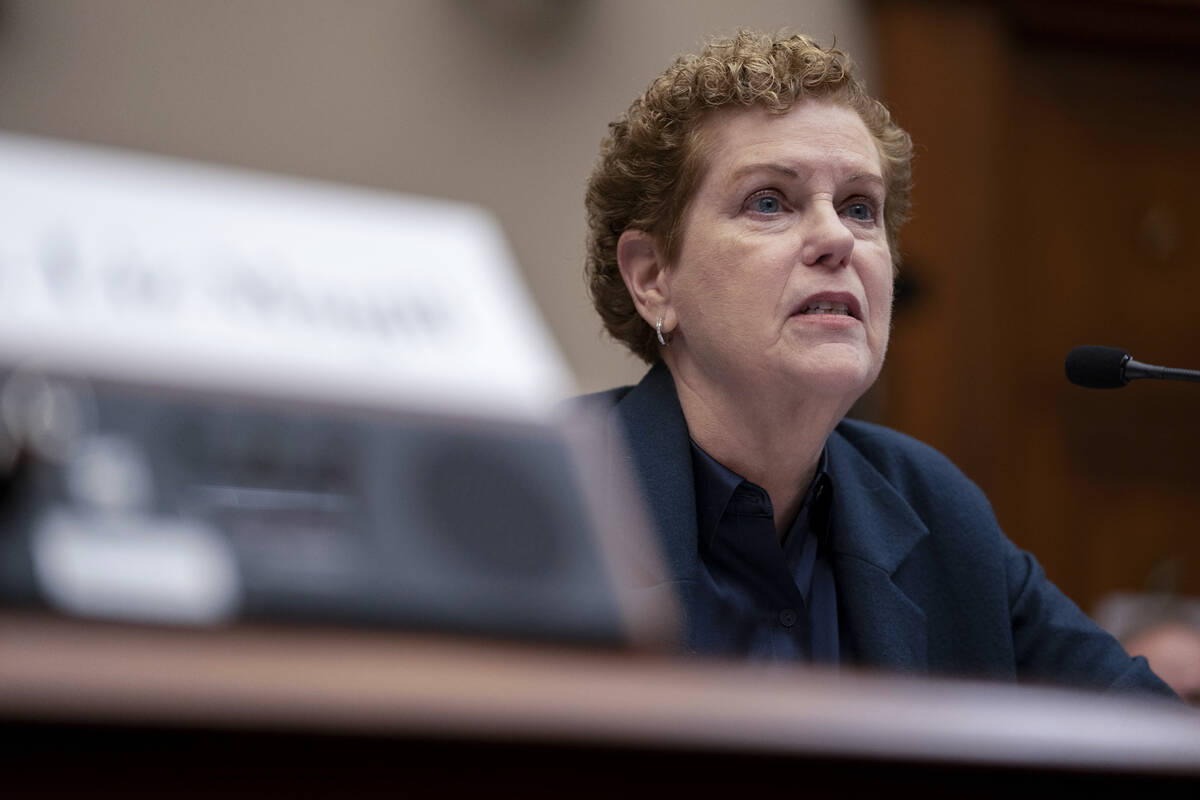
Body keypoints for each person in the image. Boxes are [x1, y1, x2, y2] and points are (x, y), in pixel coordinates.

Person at [575, 29, 1175, 696]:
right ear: (653, 275)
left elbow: (1144, 728)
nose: (837, 238)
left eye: (861, 208)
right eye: (770, 201)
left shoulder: (933, 507)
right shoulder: (557, 494)